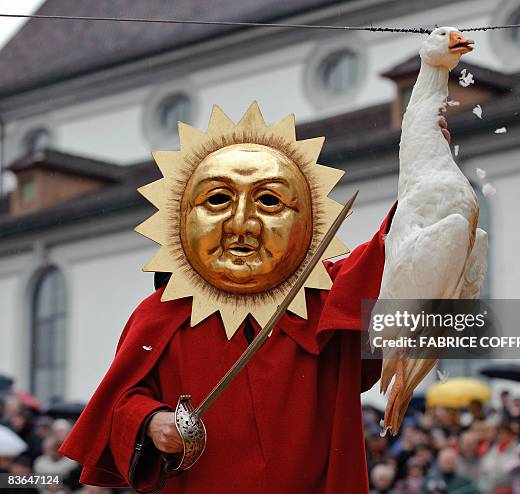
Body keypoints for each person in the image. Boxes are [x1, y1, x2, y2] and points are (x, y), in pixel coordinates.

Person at [59, 103, 459, 494]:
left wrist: (426, 169)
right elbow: (119, 404)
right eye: (217, 200)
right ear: (179, 221)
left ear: (305, 223)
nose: (242, 225)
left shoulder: (323, 296)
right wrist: (151, 420)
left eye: (269, 201)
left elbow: (397, 254)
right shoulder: (159, 316)